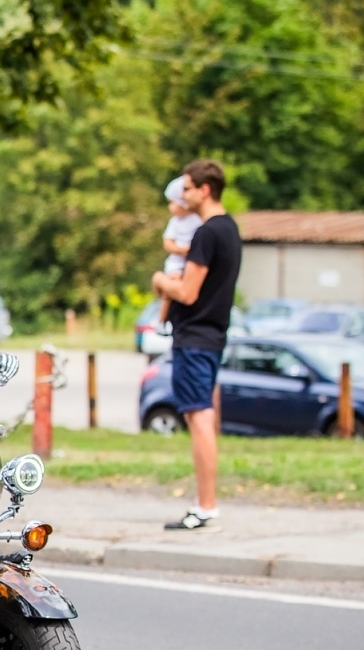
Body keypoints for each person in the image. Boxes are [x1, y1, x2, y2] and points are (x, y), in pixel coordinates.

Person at [152, 159, 242, 531]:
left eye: (187, 187)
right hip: (214, 333)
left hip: (195, 336)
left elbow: (187, 291)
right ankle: (207, 503)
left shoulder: (206, 233)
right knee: (203, 414)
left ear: (205, 190)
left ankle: (206, 506)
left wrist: (160, 280)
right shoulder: (230, 228)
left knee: (198, 416)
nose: (181, 194)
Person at [155, 177, 202, 331]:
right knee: (169, 290)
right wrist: (182, 250)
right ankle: (162, 321)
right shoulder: (175, 222)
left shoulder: (198, 221)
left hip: (191, 263)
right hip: (176, 263)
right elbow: (168, 243)